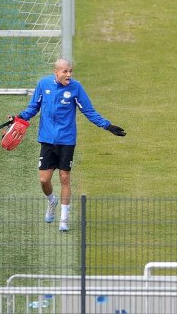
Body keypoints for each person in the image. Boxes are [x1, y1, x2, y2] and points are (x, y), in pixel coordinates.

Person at [16, 59, 126, 232]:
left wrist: (108, 126)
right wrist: (19, 117)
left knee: (65, 178)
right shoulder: (43, 84)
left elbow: (89, 111)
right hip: (46, 139)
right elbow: (33, 108)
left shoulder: (76, 88)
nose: (69, 75)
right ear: (56, 72)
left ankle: (64, 219)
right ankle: (52, 201)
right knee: (44, 180)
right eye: (65, 72)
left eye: (71, 71)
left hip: (67, 140)